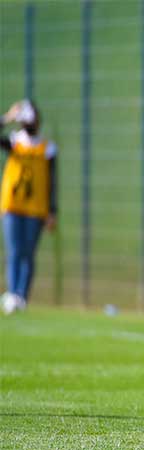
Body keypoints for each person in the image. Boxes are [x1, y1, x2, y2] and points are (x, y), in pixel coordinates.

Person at [0, 99, 57, 315]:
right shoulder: (15, 142)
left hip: (36, 208)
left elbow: (52, 181)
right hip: (13, 205)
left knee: (28, 253)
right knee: (14, 252)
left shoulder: (47, 148)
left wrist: (52, 211)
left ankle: (21, 296)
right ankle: (13, 294)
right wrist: (7, 117)